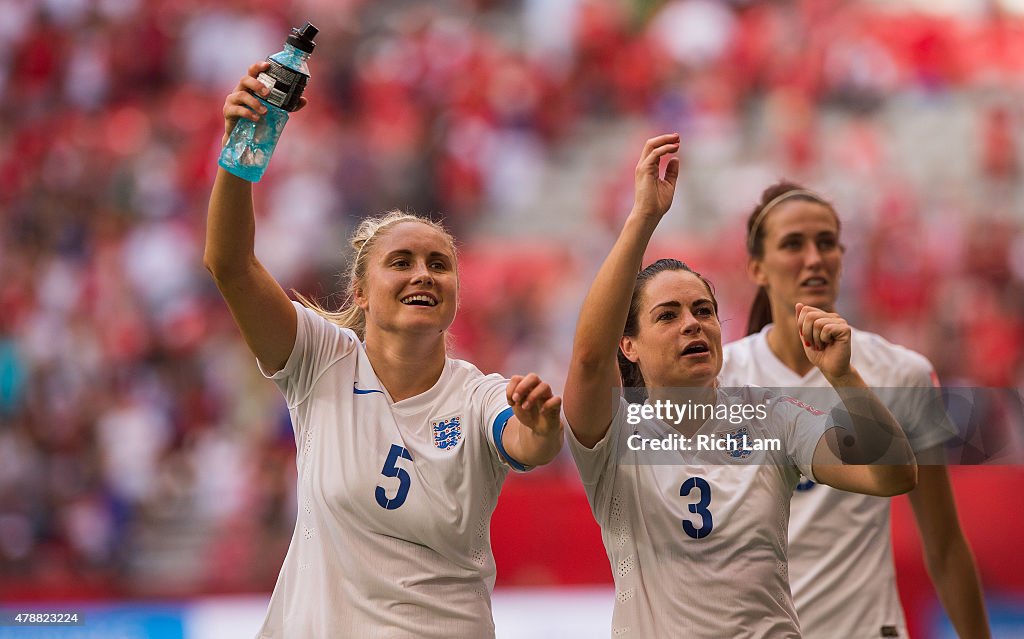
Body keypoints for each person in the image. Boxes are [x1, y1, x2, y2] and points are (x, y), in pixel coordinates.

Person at [205, 62, 564, 639]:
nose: (423, 274)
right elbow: (230, 264)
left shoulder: (478, 394)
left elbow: (528, 443)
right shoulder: (321, 360)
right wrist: (242, 150)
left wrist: (540, 425)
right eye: (401, 263)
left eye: (438, 264)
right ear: (360, 294)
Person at [562, 133, 918, 638]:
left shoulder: (774, 417)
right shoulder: (614, 435)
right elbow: (588, 359)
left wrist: (842, 376)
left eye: (703, 310)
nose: (693, 324)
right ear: (630, 346)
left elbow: (893, 477)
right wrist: (643, 217)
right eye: (668, 315)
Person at [720, 181, 991, 638]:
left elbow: (945, 546)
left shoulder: (903, 372)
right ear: (757, 268)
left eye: (827, 242)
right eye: (793, 244)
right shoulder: (719, 379)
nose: (814, 258)